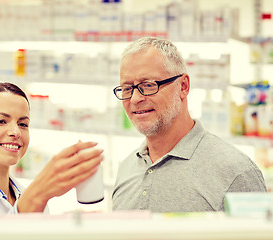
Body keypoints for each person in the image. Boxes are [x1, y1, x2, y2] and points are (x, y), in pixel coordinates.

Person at [112, 36, 267, 212]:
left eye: (148, 85)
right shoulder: (126, 168)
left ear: (183, 86)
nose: (135, 98)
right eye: (126, 89)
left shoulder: (236, 172)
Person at [0, 82, 103, 215]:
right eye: (1, 121)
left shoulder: (24, 194)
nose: (16, 132)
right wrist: (37, 196)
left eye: (23, 124)